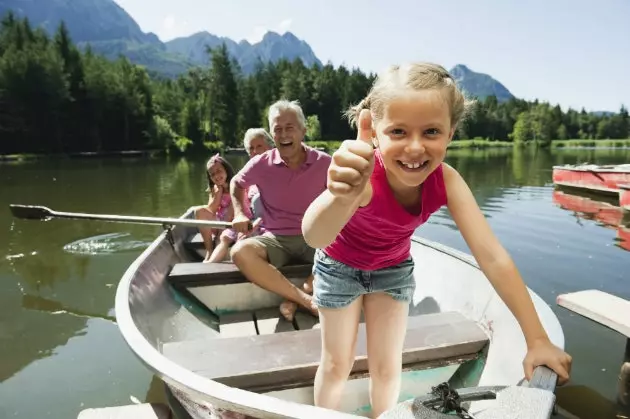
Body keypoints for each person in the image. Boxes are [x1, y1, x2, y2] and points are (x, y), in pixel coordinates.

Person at [301, 62, 573, 418]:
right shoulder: (363, 176)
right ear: (374, 133)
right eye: (397, 131)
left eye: (431, 131)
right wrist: (341, 195)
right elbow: (314, 235)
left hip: (392, 269)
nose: (415, 148)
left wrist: (536, 339)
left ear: (451, 132)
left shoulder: (447, 181)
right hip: (338, 268)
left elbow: (493, 258)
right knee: (338, 363)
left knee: (387, 367)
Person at [230, 99, 332, 320]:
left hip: (315, 237)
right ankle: (305, 300)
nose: (284, 134)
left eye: (290, 128)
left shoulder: (325, 163)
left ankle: (300, 293)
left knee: (353, 242)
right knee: (239, 252)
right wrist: (239, 213)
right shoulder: (261, 163)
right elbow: (237, 184)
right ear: (272, 134)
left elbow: (344, 197)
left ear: (303, 131)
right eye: (278, 129)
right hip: (275, 239)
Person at [194, 153, 242, 263]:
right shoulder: (214, 189)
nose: (216, 176)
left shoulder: (236, 185)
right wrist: (218, 193)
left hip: (233, 222)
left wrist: (221, 230)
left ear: (226, 170)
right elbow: (212, 209)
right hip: (218, 222)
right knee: (198, 211)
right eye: (212, 174)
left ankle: (217, 251)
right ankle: (209, 250)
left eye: (219, 171)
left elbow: (232, 210)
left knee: (223, 235)